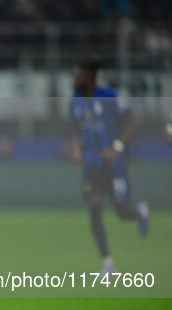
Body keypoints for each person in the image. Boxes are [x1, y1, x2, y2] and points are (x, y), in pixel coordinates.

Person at [70, 60, 150, 277]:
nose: (73, 79)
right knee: (95, 212)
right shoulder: (75, 102)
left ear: (89, 76)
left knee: (122, 213)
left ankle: (140, 212)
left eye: (76, 75)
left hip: (114, 165)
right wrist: (76, 149)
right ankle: (109, 265)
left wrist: (117, 146)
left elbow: (133, 121)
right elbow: (76, 130)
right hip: (91, 167)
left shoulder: (109, 96)